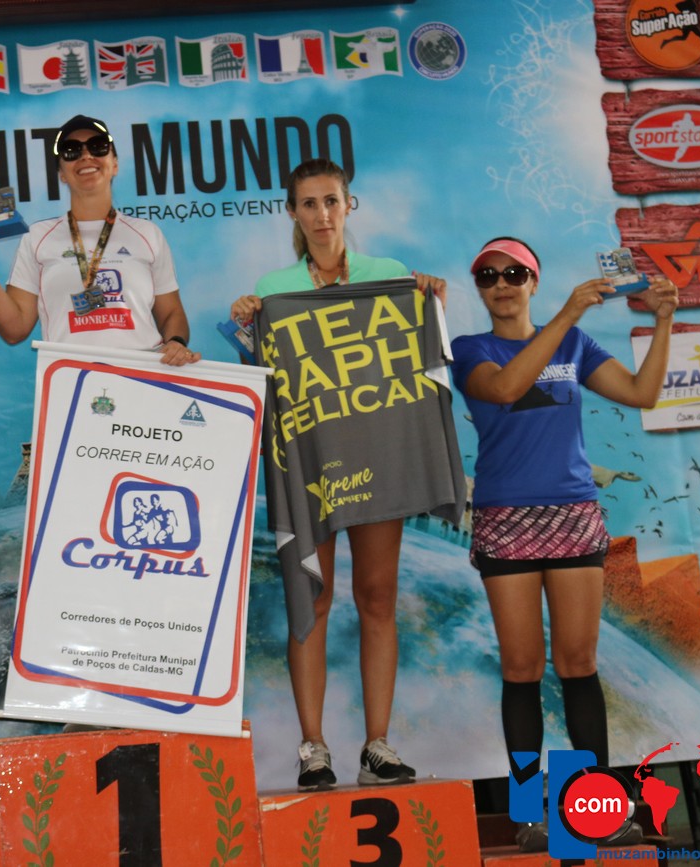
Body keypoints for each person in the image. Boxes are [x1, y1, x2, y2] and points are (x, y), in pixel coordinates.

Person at [450, 237, 676, 851]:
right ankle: (529, 815)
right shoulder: (471, 349)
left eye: (514, 272)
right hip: (505, 519)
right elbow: (504, 389)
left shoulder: (573, 343)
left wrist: (663, 322)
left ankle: (595, 814)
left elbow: (642, 393)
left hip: (573, 516)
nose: (502, 283)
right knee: (522, 669)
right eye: (488, 275)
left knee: (578, 665)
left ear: (534, 281)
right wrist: (568, 314)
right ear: (479, 287)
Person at [230, 158, 447, 791]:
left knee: (378, 597)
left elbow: (423, 360)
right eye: (309, 204)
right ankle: (313, 748)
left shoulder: (390, 276)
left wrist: (430, 299)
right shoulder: (273, 288)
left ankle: (377, 745)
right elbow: (264, 380)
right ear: (292, 212)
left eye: (331, 201)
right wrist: (247, 325)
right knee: (314, 599)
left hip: (378, 460)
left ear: (350, 205)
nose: (322, 214)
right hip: (312, 465)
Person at [0, 114, 200, 366]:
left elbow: (171, 312)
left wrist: (176, 341)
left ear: (115, 164)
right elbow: (14, 330)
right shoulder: (38, 237)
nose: (86, 156)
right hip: (69, 377)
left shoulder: (147, 233)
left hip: (143, 375)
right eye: (71, 151)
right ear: (62, 174)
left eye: (98, 146)